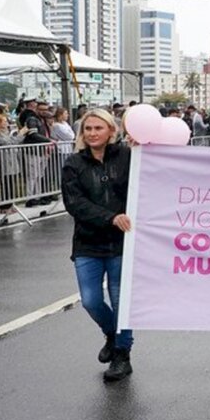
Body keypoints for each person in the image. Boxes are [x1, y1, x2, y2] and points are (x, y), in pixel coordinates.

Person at [60, 109, 135, 382]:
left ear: (111, 131)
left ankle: (122, 355)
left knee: (120, 301)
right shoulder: (73, 164)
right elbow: (74, 203)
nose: (92, 133)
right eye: (87, 129)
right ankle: (112, 334)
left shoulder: (128, 156)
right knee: (91, 300)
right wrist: (110, 218)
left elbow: (163, 170)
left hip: (121, 244)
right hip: (88, 244)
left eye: (98, 128)